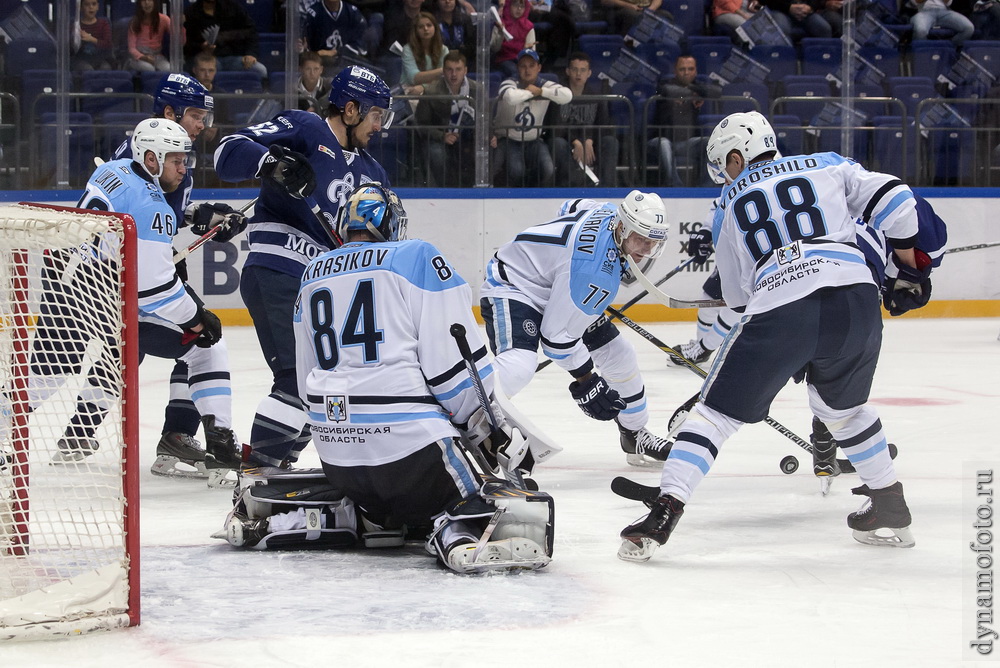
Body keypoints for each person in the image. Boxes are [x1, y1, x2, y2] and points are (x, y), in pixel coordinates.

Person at [618, 111, 922, 562]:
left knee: (715, 414)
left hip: (783, 302)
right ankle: (890, 506)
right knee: (846, 412)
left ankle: (664, 511)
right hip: (857, 300)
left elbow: (739, 300)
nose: (724, 176)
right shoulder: (828, 163)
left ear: (738, 157)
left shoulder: (728, 203)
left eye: (724, 165)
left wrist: (787, 339)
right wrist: (908, 269)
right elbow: (898, 200)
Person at [214, 65, 393, 472]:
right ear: (351, 109)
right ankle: (259, 472)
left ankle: (280, 465)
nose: (379, 126)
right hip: (279, 270)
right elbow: (226, 152)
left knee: (326, 381)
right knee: (296, 381)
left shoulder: (373, 172)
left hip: (322, 287)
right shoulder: (306, 127)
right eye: (376, 114)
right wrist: (269, 164)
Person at [52, 119, 242, 486]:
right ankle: (221, 451)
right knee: (207, 346)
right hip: (110, 298)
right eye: (177, 161)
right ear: (152, 159)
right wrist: (197, 318)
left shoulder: (112, 169)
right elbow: (155, 290)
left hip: (67, 285)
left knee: (44, 376)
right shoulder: (153, 204)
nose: (184, 168)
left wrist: (189, 219)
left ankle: (60, 432)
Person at [102, 73, 246, 479]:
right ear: (170, 113)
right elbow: (149, 216)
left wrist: (199, 216)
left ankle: (173, 435)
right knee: (197, 336)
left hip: (104, 278)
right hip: (123, 285)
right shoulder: (146, 158)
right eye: (196, 114)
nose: (203, 123)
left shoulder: (149, 157)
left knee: (58, 364)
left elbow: (153, 210)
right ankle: (83, 427)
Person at [479, 193, 674, 467]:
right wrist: (586, 380)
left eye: (653, 242)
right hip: (515, 284)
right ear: (622, 227)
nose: (647, 248)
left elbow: (569, 206)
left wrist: (561, 265)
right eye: (641, 238)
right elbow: (556, 339)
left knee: (620, 355)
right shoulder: (593, 276)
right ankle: (462, 413)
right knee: (518, 365)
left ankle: (634, 433)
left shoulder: (607, 211)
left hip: (560, 284)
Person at [492, 48, 572, 188]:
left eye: (531, 66)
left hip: (533, 140)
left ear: (539, 68)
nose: (527, 70)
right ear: (517, 68)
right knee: (517, 170)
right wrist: (532, 93)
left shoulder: (544, 85)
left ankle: (532, 191)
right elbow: (511, 97)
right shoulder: (509, 82)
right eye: (523, 66)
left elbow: (567, 95)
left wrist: (542, 91)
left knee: (548, 168)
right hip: (509, 139)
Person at [548, 51, 620, 188]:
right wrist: (576, 142)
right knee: (557, 143)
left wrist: (589, 140)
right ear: (568, 71)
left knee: (610, 142)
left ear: (589, 73)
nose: (578, 74)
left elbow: (603, 125)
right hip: (568, 142)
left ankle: (607, 188)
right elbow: (556, 127)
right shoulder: (559, 96)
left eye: (583, 70)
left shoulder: (595, 96)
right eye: (575, 70)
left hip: (589, 144)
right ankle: (569, 185)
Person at [648, 55, 721, 188]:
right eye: (682, 69)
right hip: (660, 140)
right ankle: (675, 186)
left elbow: (717, 91)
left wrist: (694, 92)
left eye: (690, 69)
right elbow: (668, 91)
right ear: (675, 71)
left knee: (709, 142)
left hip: (686, 143)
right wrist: (691, 94)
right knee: (664, 144)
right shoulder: (665, 85)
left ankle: (706, 186)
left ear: (696, 71)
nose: (686, 73)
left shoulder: (697, 87)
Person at [415, 50, 482, 187]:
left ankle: (474, 190)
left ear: (465, 70)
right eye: (449, 70)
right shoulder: (431, 91)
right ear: (443, 71)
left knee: (483, 148)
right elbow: (420, 124)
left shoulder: (477, 89)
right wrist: (442, 136)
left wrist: (489, 136)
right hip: (440, 137)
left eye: (458, 69)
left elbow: (485, 118)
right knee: (437, 153)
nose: (454, 74)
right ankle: (445, 189)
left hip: (468, 136)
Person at [183, 0, 268, 79]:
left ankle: (264, 94)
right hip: (206, 59)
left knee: (260, 70)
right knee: (210, 70)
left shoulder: (232, 7)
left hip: (234, 57)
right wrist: (201, 48)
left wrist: (251, 53)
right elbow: (185, 44)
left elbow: (250, 31)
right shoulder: (191, 13)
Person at [301, 0, 372, 76]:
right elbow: (306, 46)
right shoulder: (313, 13)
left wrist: (336, 52)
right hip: (322, 64)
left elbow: (361, 43)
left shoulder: (352, 12)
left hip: (347, 60)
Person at [401, 11, 450, 92]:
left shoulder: (444, 49)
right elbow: (414, 78)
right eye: (421, 27)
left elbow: (445, 78)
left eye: (429, 25)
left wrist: (424, 87)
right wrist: (442, 70)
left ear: (435, 27)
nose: (426, 29)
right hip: (410, 90)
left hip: (434, 90)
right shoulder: (408, 49)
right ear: (415, 30)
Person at [124, 0, 176, 73]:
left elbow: (178, 39)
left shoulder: (164, 19)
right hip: (139, 57)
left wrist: (180, 25)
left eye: (150, 0)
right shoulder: (134, 22)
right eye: (143, 1)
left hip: (157, 56)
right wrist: (144, 57)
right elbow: (132, 49)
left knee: (168, 69)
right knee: (149, 69)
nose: (147, 3)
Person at [491, 0, 536, 80]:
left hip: (522, 58)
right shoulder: (500, 23)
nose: (519, 9)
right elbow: (494, 48)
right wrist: (501, 34)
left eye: (522, 7)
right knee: (515, 72)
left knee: (529, 71)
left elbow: (532, 52)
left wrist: (525, 49)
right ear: (509, 6)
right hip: (504, 59)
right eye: (515, 5)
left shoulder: (528, 26)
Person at [73, 0, 114, 72]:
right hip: (81, 60)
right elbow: (70, 49)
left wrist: (91, 39)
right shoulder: (76, 25)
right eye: (87, 5)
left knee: (106, 68)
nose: (91, 7)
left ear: (98, 6)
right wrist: (76, 37)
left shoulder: (104, 23)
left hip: (100, 59)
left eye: (94, 4)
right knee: (88, 70)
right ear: (81, 7)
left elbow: (108, 44)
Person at [910, 0, 975, 45]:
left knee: (968, 28)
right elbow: (916, 2)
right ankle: (923, 56)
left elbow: (949, 3)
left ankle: (948, 50)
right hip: (924, 12)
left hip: (944, 11)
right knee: (920, 30)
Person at [296, 51, 333, 115]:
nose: (312, 73)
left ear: (321, 70)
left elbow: (341, 88)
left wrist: (316, 106)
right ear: (300, 69)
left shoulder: (329, 84)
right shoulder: (292, 88)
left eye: (316, 69)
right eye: (308, 69)